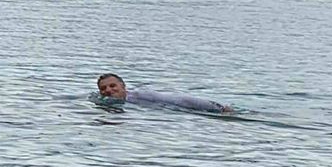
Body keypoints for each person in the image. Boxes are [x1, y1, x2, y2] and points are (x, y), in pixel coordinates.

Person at [95, 73, 235, 115]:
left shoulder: (143, 96)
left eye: (112, 86)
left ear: (123, 86)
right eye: (103, 88)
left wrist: (219, 108)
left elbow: (181, 100)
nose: (108, 90)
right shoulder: (105, 103)